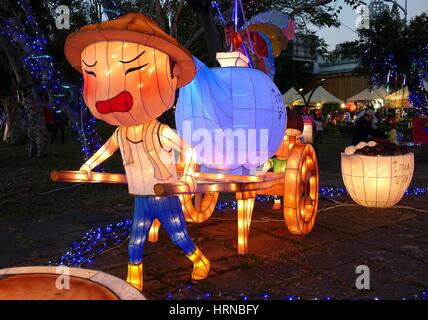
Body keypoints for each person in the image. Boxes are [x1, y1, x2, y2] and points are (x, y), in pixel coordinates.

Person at [64, 13, 210, 291]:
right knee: (135, 240)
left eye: (131, 71)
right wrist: (88, 167)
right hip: (141, 196)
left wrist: (189, 176)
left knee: (179, 236)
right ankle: (134, 279)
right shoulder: (121, 132)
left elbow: (188, 152)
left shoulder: (158, 131)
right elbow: (105, 151)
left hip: (164, 195)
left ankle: (199, 260)